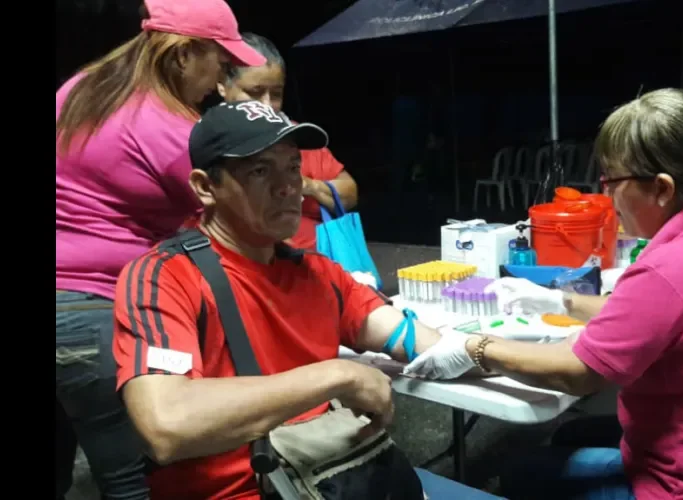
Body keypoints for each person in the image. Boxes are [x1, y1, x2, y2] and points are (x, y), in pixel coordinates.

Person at [405, 88, 683, 499]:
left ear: (661, 189)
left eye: (612, 181)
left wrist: (475, 346)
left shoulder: (670, 269)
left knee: (522, 471)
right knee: (571, 433)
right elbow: (655, 315)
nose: (607, 198)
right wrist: (561, 300)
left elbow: (577, 373)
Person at [111, 101, 497, 499]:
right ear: (206, 187)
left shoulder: (318, 273)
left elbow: (422, 343)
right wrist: (338, 375)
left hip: (332, 474)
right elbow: (166, 424)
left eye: (293, 167)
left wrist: (549, 358)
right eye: (260, 170)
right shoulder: (165, 276)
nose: (289, 187)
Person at [55, 1, 265, 498]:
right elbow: (240, 221)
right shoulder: (171, 133)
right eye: (221, 61)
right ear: (184, 54)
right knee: (135, 477)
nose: (220, 80)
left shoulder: (81, 88)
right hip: (95, 308)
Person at [216, 33, 359, 250]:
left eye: (276, 94)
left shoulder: (297, 134)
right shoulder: (207, 144)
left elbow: (350, 193)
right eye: (254, 92)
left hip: (319, 260)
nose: (267, 104)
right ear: (221, 85)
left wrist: (308, 185)